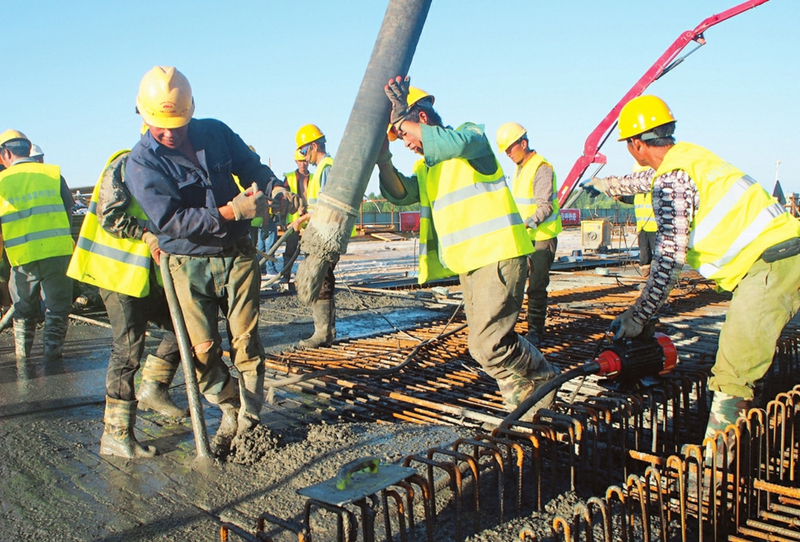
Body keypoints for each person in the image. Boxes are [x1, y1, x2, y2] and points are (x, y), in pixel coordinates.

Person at [583, 95, 800, 444]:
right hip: (788, 252)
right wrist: (604, 185)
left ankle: (714, 466)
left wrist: (640, 315)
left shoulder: (672, 181)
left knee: (733, 368)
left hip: (771, 266)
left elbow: (669, 259)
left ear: (636, 144)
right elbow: (643, 180)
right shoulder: (691, 157)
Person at [123, 66, 299, 455]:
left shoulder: (215, 132)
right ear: (143, 116)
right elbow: (171, 222)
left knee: (246, 343)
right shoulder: (140, 163)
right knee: (202, 351)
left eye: (177, 124)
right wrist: (231, 212)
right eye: (160, 125)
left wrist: (276, 186)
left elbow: (251, 167)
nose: (169, 133)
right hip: (188, 264)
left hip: (236, 256)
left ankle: (250, 422)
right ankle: (230, 407)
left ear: (190, 111)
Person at [376, 77, 559, 418]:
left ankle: (545, 377)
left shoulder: (471, 138)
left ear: (423, 119)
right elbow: (400, 193)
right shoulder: (428, 168)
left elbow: (456, 144)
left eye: (403, 134)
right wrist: (382, 161)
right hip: (471, 264)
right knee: (485, 348)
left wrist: (401, 119)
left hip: (499, 255)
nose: (405, 143)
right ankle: (526, 408)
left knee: (488, 345)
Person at [67, 145, 188, 459]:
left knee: (183, 327)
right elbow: (110, 215)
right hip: (118, 274)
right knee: (128, 349)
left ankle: (154, 389)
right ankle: (116, 434)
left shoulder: (172, 170)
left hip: (149, 277)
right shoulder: (125, 164)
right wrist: (147, 235)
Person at [0, 130, 74, 363]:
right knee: (57, 308)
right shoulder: (52, 174)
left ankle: (23, 359)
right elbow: (68, 211)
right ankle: (52, 358)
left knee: (22, 308)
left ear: (6, 153)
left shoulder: (2, 181)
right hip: (58, 252)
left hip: (21, 256)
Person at [495, 122, 562, 346]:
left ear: (523, 143)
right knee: (515, 282)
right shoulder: (520, 168)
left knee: (536, 286)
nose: (508, 154)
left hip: (542, 237)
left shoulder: (541, 167)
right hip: (525, 237)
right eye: (505, 150)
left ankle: (535, 331)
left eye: (510, 149)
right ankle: (513, 328)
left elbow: (545, 206)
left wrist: (528, 223)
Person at [292, 124, 337, 348]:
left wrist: (301, 220)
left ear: (313, 145)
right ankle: (326, 331)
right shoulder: (321, 168)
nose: (303, 156)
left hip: (327, 233)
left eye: (303, 150)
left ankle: (323, 333)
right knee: (323, 279)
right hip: (320, 231)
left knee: (321, 280)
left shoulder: (327, 167)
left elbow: (329, 206)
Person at [615, 164, 657, 277]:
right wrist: (620, 197)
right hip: (642, 227)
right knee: (644, 251)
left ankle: (660, 273)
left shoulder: (655, 192)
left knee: (658, 252)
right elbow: (630, 199)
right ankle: (645, 269)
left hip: (655, 227)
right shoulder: (638, 194)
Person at [280, 149, 310, 290]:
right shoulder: (290, 177)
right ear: (296, 162)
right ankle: (285, 278)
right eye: (300, 161)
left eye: (304, 161)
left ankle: (310, 280)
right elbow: (283, 199)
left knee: (310, 252)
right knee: (290, 251)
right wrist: (282, 220)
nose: (303, 164)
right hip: (293, 220)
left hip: (309, 220)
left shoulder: (314, 177)